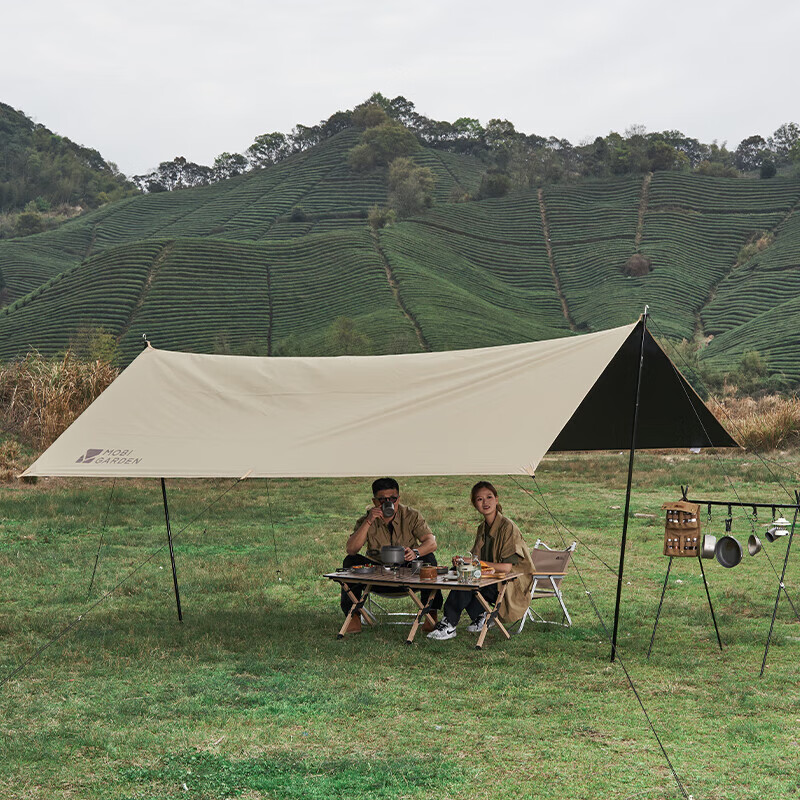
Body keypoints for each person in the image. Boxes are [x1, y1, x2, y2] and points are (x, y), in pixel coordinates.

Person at [428, 480, 534, 640]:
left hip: (512, 583)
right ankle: (481, 615)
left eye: (489, 497)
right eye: (479, 499)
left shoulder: (508, 527)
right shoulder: (482, 528)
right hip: (491, 579)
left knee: (467, 579)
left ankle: (449, 624)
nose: (485, 502)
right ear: (474, 504)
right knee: (458, 573)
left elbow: (506, 568)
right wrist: (463, 561)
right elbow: (476, 560)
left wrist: (474, 564)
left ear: (496, 499)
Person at [342, 477, 442, 633]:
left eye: (393, 499)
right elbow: (351, 549)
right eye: (383, 500)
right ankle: (353, 616)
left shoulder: (411, 515)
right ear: (375, 501)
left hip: (408, 570)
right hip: (378, 574)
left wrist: (415, 553)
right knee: (350, 561)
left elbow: (431, 543)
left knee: (428, 560)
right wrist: (369, 521)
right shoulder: (367, 519)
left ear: (399, 499)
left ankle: (431, 613)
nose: (388, 503)